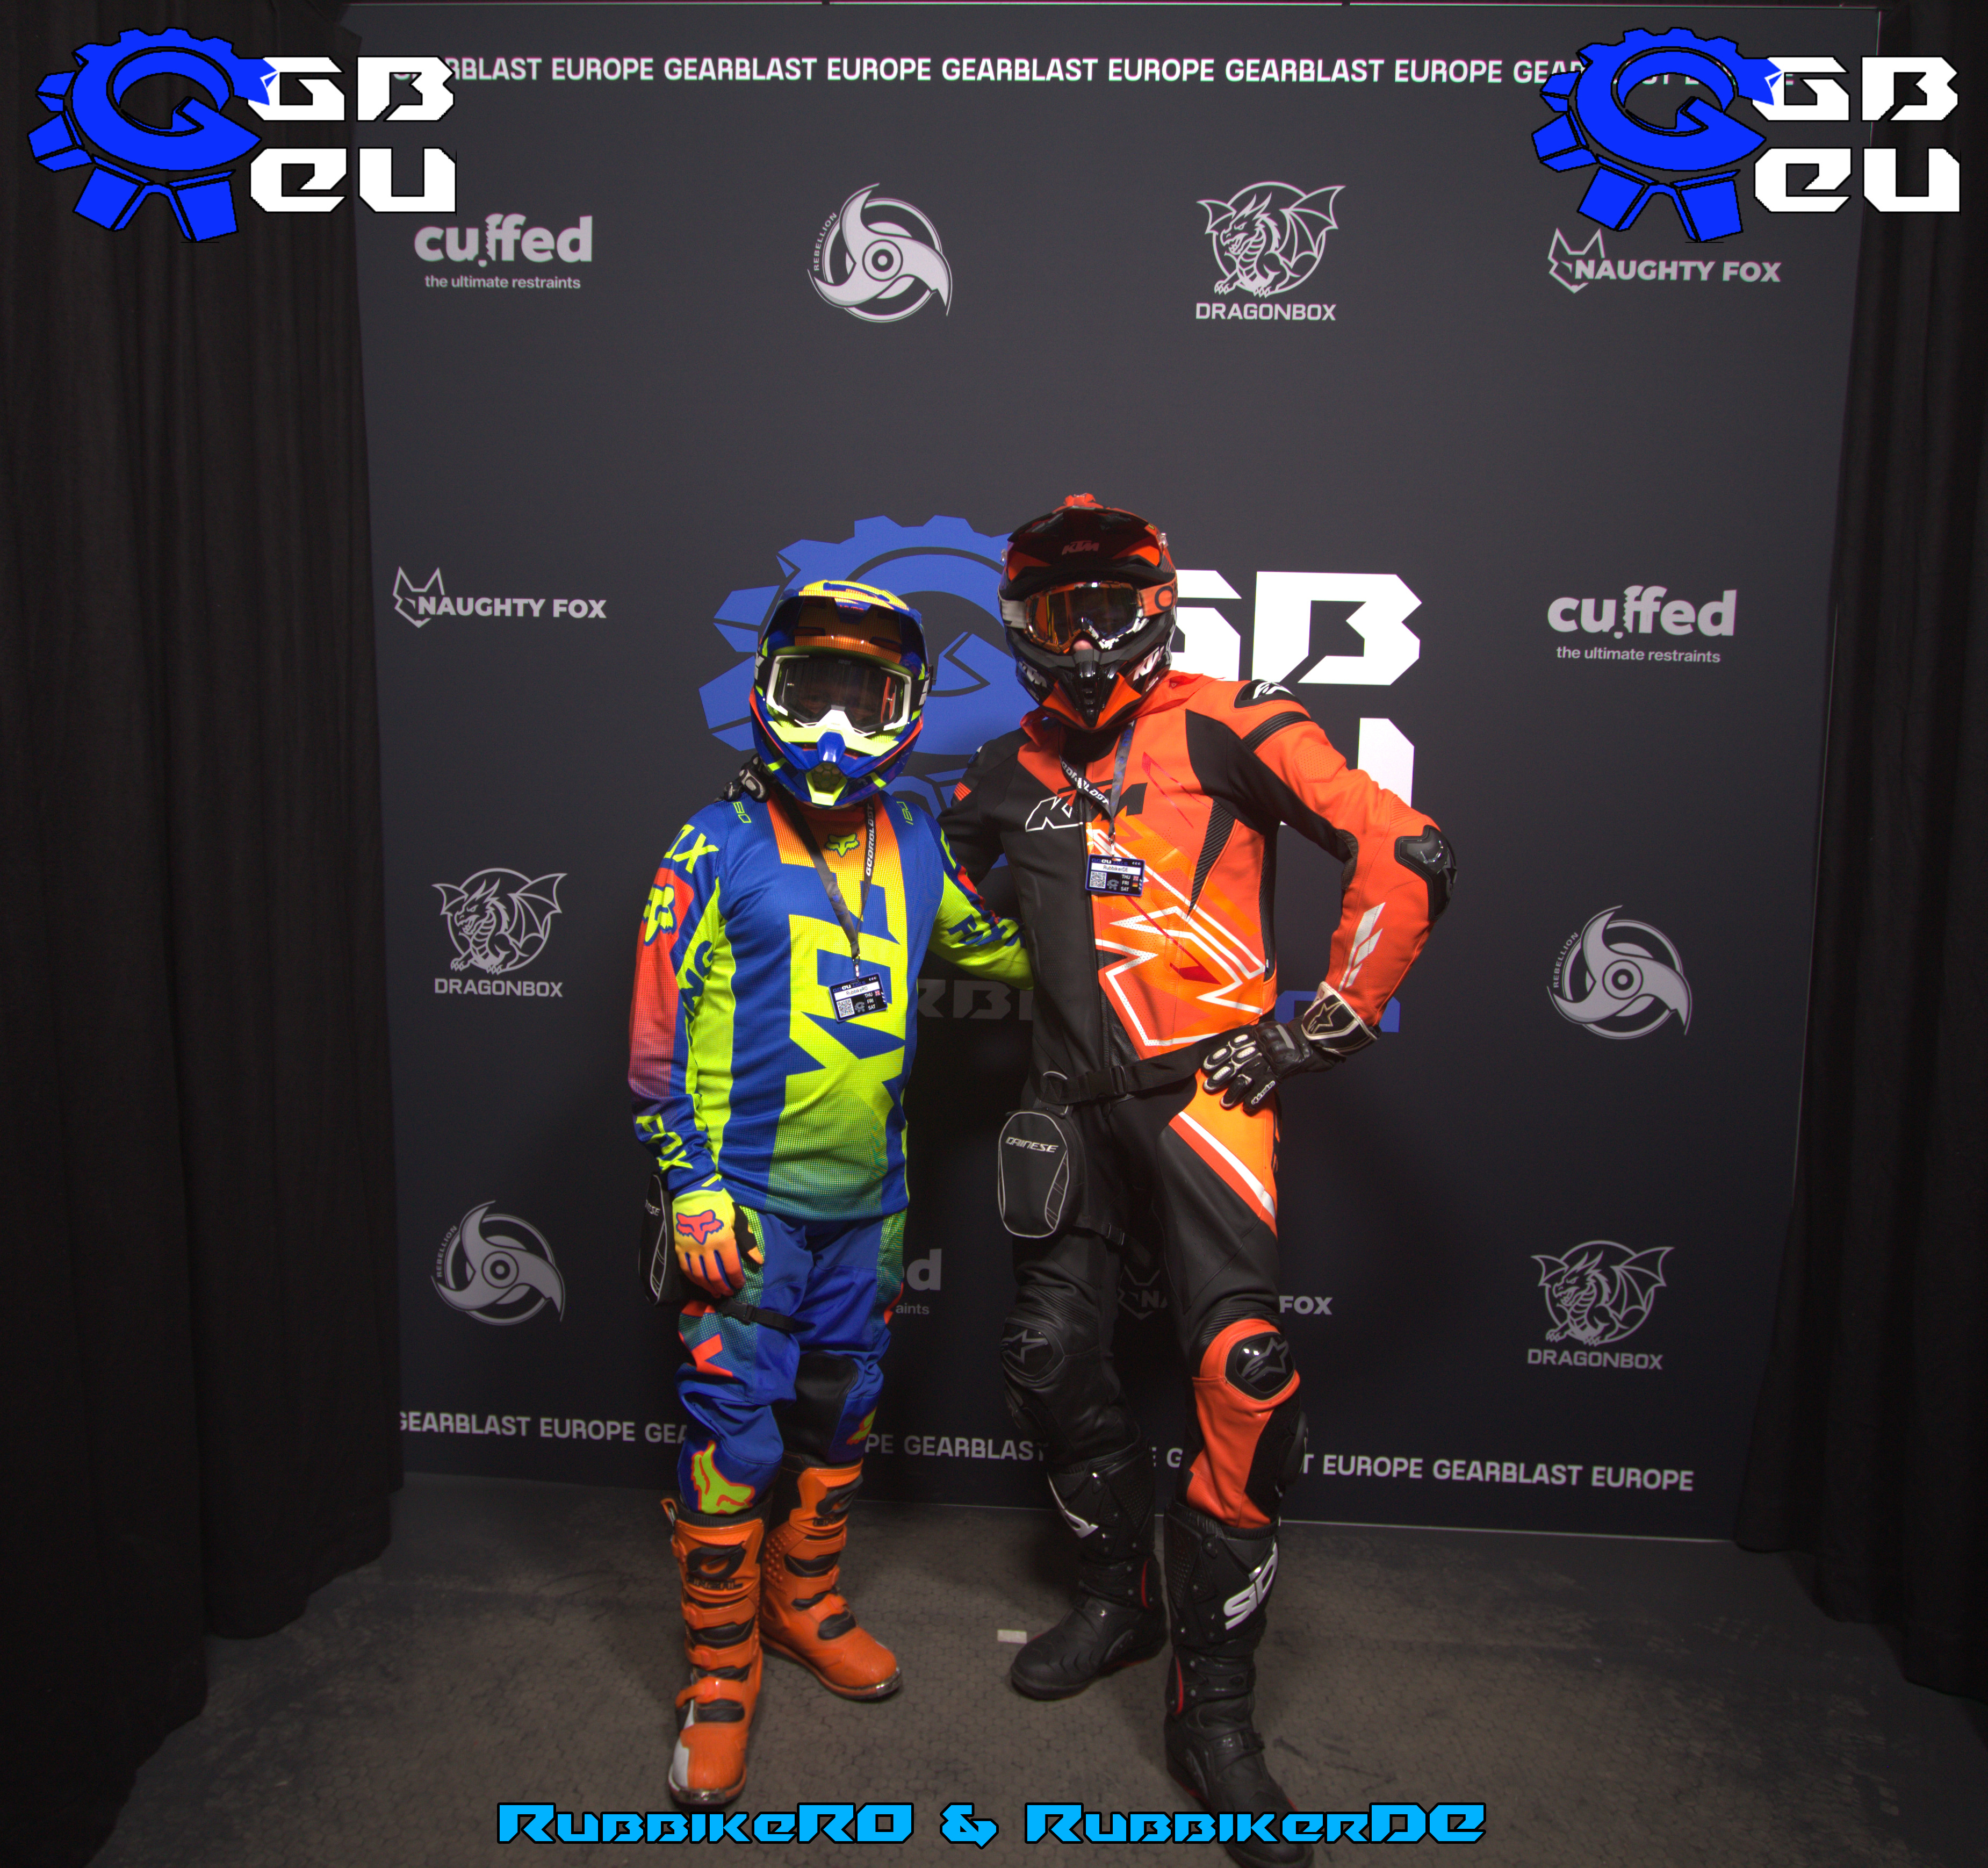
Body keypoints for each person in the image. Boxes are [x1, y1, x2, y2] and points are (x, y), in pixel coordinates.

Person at [940, 498, 1453, 1868]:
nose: (1084, 637)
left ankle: (1212, 1712)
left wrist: (1322, 1023)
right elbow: (932, 898)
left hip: (1207, 1101)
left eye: (1108, 607)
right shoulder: (997, 770)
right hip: (1062, 1108)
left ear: (1157, 608)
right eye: (1058, 612)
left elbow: (1404, 848)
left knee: (1244, 1375)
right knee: (1047, 1358)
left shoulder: (1232, 721)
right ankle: (1119, 1601)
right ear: (1020, 625)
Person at [629, 578, 1031, 1810]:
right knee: (734, 1435)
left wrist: (1115, 928)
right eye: (813, 691)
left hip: (872, 1206)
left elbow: (997, 952)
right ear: (767, 691)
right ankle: (717, 1670)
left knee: (840, 1413)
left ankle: (799, 1604)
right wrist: (690, 1186)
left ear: (907, 709)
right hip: (743, 1206)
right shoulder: (710, 845)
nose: (836, 726)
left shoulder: (913, 835)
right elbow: (653, 1047)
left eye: (866, 698)